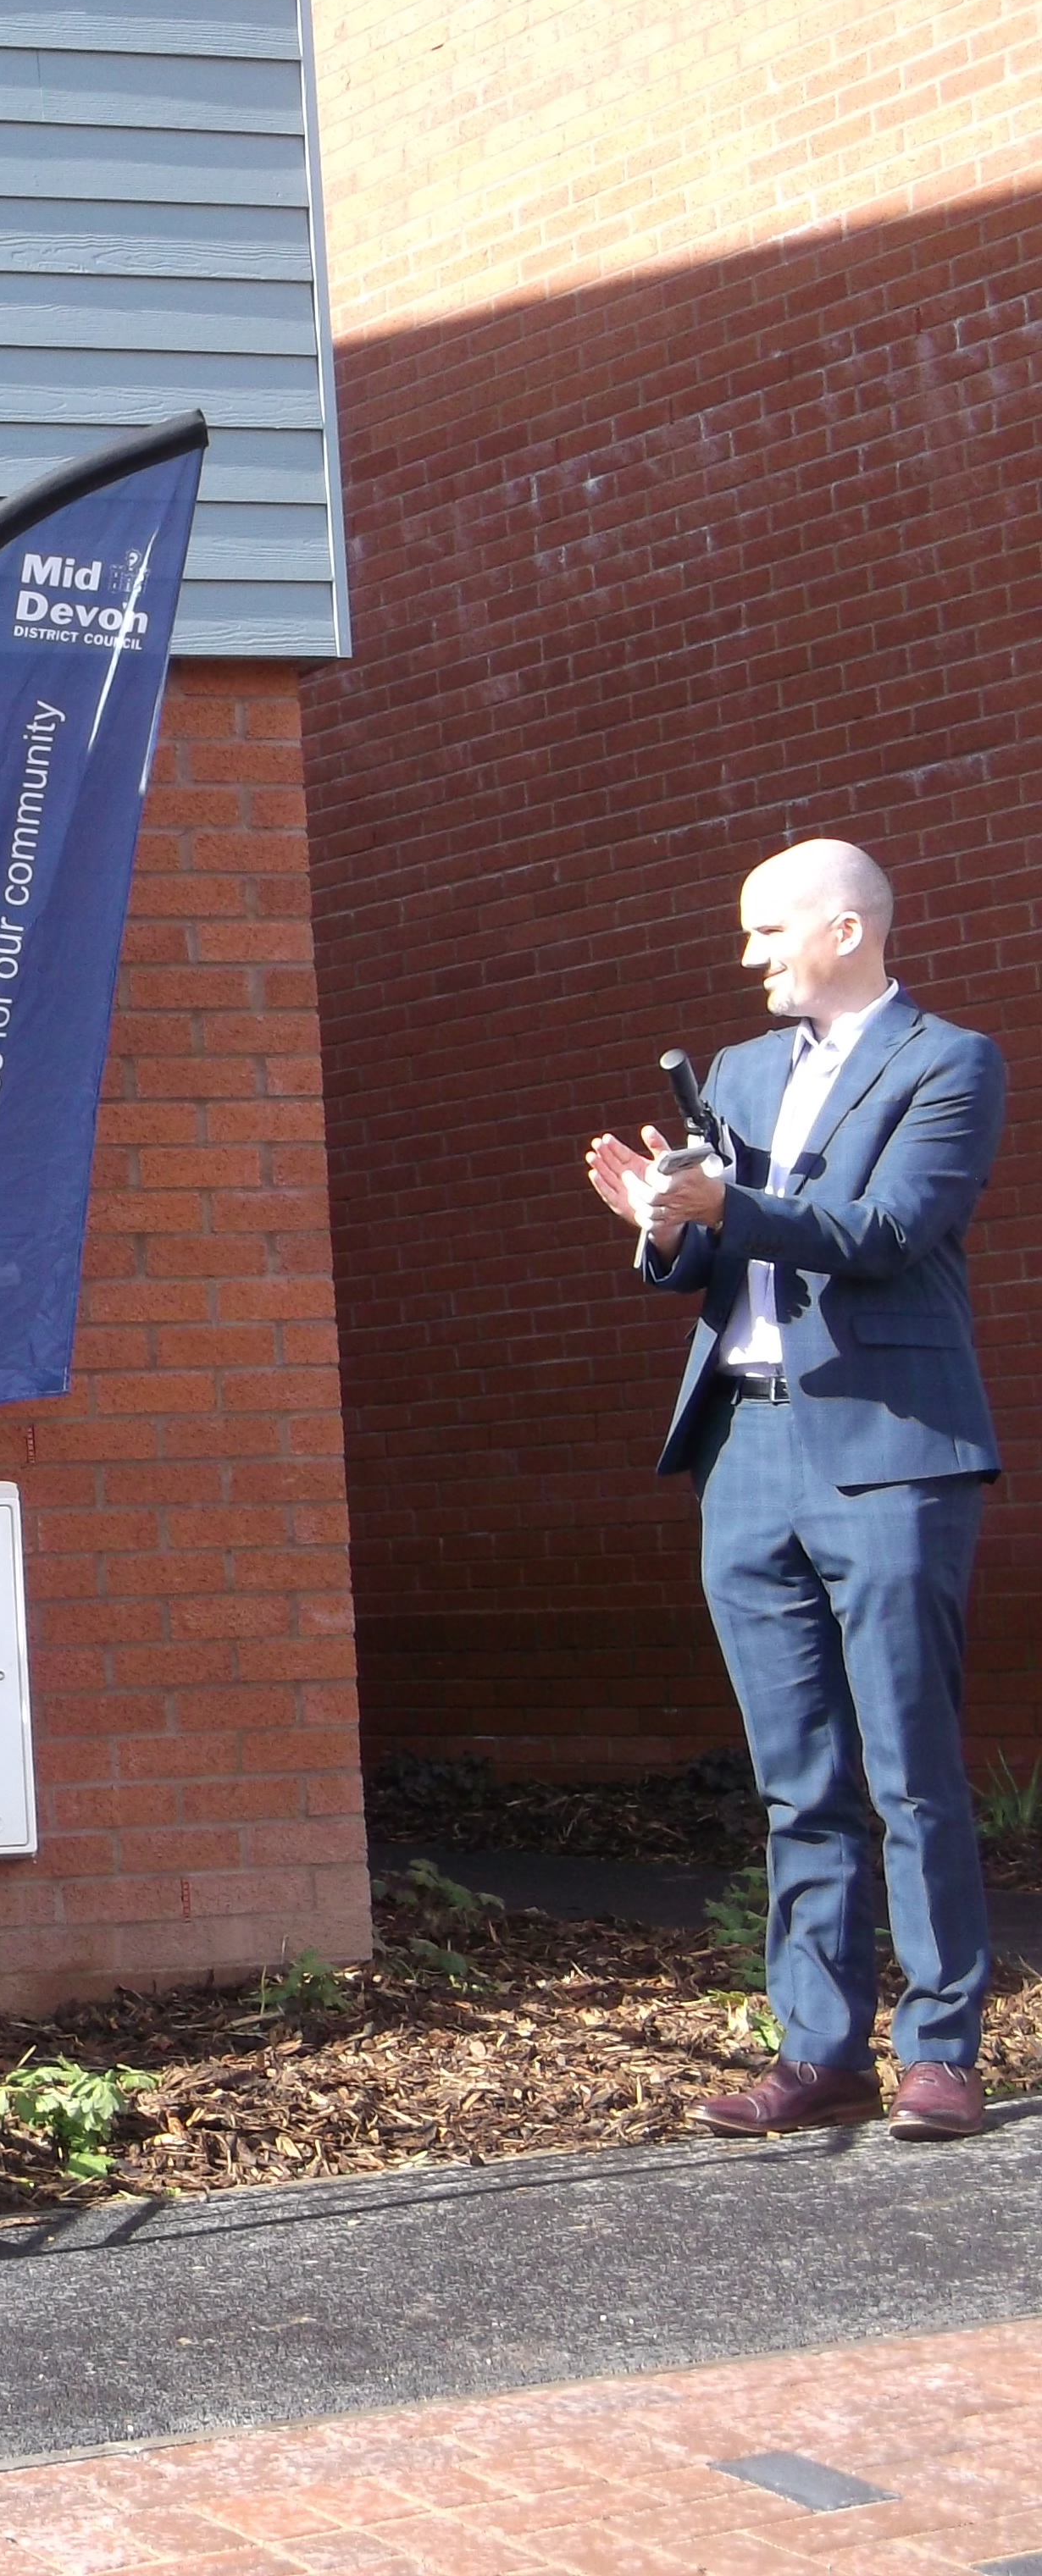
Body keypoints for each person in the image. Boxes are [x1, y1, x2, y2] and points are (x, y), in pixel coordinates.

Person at [582, 838, 1001, 2142]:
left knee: (910, 1765)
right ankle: (820, 2052)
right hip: (744, 1457)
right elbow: (716, 1256)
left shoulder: (948, 1061)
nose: (749, 957)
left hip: (887, 1454)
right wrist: (667, 1228)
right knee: (796, 1777)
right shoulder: (744, 1075)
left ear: (844, 929)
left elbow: (888, 1232)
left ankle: (941, 2047)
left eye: (769, 934)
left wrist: (732, 1202)